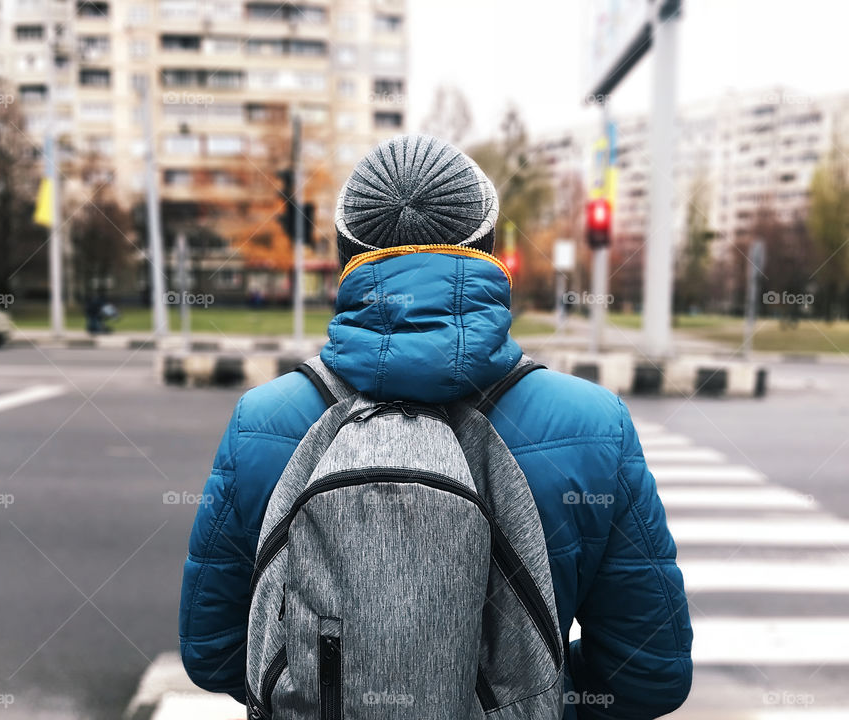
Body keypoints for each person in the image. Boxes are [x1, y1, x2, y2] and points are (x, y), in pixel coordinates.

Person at [179, 135, 692, 719]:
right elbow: (650, 674)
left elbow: (213, 652)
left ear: (348, 257)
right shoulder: (594, 424)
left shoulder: (264, 422)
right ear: (490, 249)